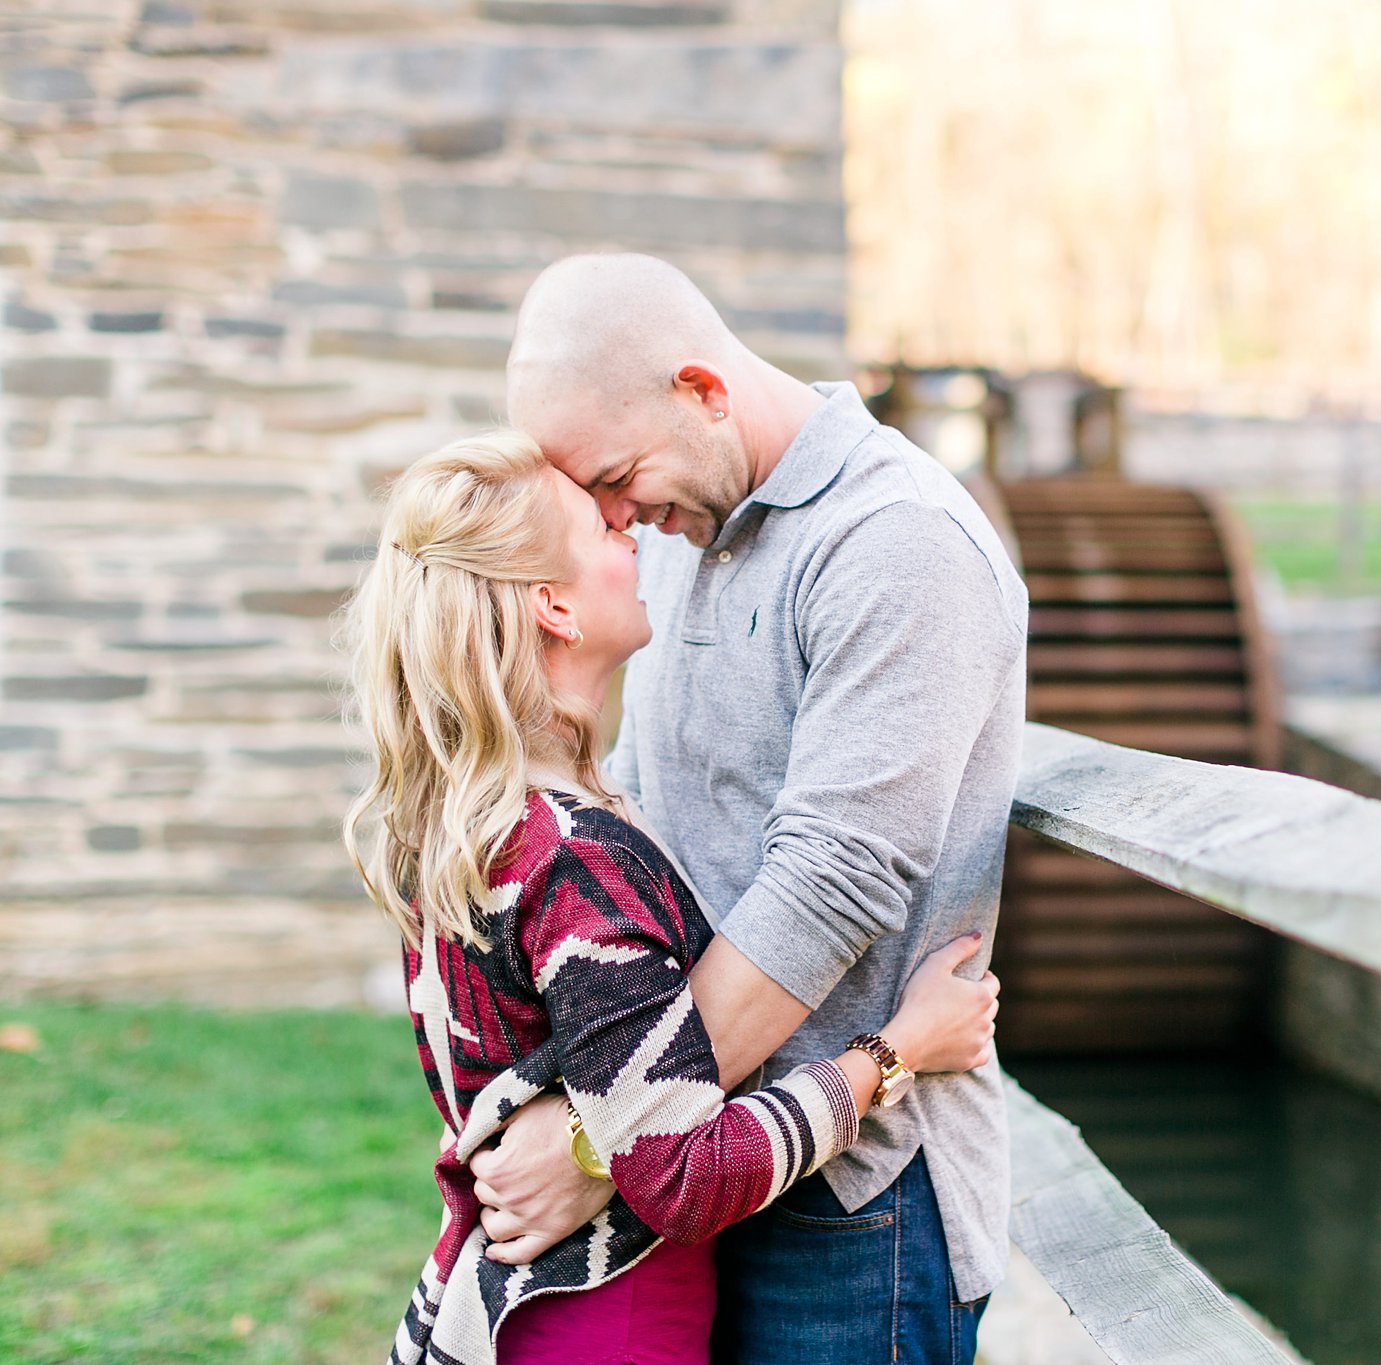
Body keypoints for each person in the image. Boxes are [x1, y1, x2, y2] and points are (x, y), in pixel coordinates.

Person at [469, 252, 1029, 1364]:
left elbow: (828, 888)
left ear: (702, 390)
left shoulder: (897, 541)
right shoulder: (686, 529)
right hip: (699, 1168)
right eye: (594, 498)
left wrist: (597, 1138)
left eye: (618, 477)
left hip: (852, 1201)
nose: (615, 518)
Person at [344, 432, 1002, 1365]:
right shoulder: (575, 858)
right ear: (556, 608)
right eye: (600, 527)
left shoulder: (472, 821)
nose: (631, 531)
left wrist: (579, 1136)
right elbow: (685, 1175)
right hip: (606, 1327)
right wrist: (895, 1052)